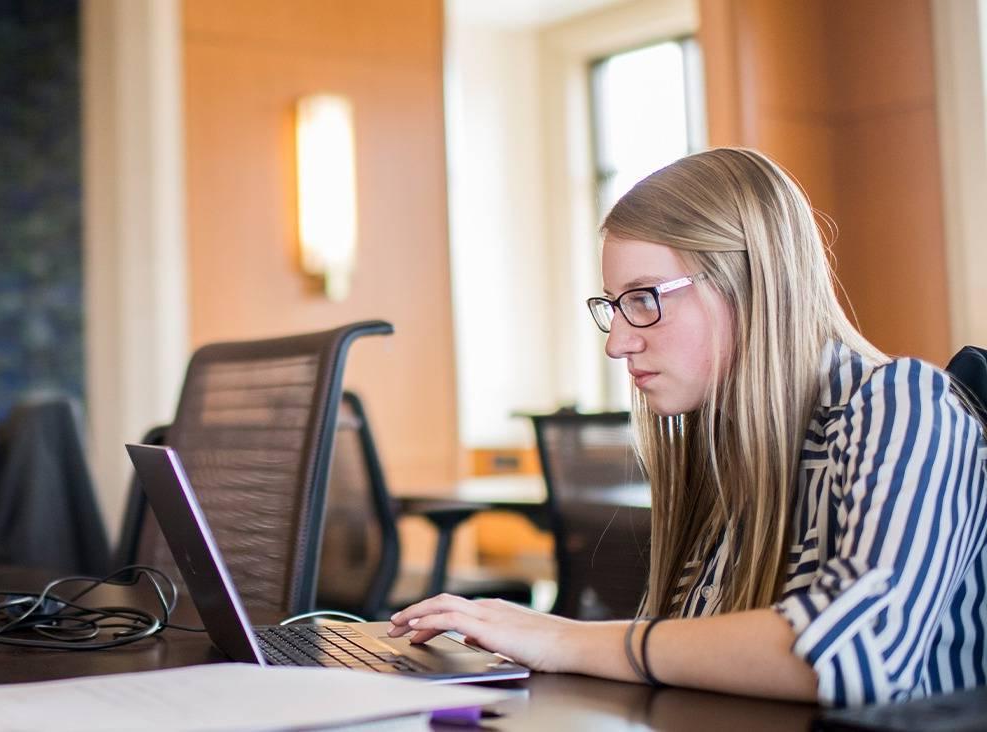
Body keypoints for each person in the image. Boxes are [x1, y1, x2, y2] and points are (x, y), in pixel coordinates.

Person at [388, 148, 987, 707]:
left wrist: (566, 639)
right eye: (613, 307)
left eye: (644, 298)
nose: (618, 342)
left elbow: (859, 654)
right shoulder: (725, 446)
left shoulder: (905, 407)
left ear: (748, 284)